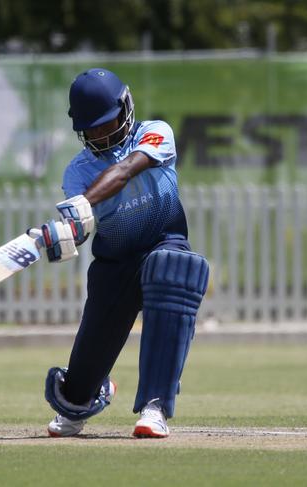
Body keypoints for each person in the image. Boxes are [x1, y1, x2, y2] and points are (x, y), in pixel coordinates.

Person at [37, 68, 209, 438]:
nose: (101, 133)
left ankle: (155, 405)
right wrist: (63, 235)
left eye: (107, 122)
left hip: (164, 241)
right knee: (80, 382)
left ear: (125, 106)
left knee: (174, 268)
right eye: (92, 128)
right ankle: (83, 397)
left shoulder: (156, 132)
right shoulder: (77, 170)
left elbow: (129, 167)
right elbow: (80, 231)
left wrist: (84, 202)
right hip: (115, 262)